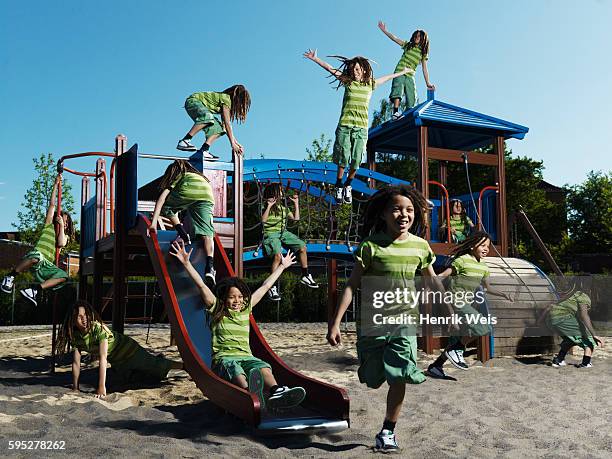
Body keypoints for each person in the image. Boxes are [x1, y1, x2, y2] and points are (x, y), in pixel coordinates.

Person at [327, 184, 440, 452]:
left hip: (404, 322)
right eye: (397, 209)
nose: (404, 214)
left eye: (410, 210)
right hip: (373, 324)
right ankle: (374, 371)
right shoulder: (371, 247)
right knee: (373, 377)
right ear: (383, 215)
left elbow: (432, 281)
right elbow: (352, 285)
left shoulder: (420, 247)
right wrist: (335, 322)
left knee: (399, 375)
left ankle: (387, 430)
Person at [170, 240, 306, 410]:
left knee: (262, 366)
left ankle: (276, 390)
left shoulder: (246, 309)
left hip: (246, 357)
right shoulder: (217, 308)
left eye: (240, 297)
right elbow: (201, 285)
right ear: (224, 298)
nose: (237, 301)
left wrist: (282, 267)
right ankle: (248, 394)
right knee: (234, 369)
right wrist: (187, 263)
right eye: (232, 297)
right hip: (224, 360)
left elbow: (265, 286)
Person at [303, 49, 414, 205]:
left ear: (363, 70)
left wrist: (402, 72)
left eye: (357, 69)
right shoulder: (348, 82)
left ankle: (348, 184)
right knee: (343, 156)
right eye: (352, 69)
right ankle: (339, 184)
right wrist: (316, 59)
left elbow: (387, 78)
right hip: (345, 125)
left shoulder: (370, 84)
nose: (355, 71)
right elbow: (331, 69)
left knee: (356, 159)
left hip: (361, 128)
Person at [56, 300, 183, 398]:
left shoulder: (98, 329)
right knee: (132, 378)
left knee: (154, 363)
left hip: (129, 350)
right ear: (72, 321)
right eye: (79, 316)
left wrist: (101, 387)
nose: (84, 319)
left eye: (86, 315)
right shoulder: (76, 337)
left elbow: (103, 358)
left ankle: (184, 367)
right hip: (117, 360)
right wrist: (75, 387)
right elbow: (76, 363)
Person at [427, 232, 513, 376]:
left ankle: (435, 367)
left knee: (458, 338)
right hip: (455, 301)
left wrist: (504, 294)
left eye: (488, 246)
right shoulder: (462, 261)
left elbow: (488, 288)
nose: (486, 249)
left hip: (465, 304)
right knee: (484, 326)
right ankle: (457, 348)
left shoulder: (484, 267)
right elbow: (442, 276)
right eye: (482, 245)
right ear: (473, 246)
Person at [1, 175, 74, 306]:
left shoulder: (65, 236)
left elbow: (61, 243)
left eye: (66, 222)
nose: (64, 222)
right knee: (37, 256)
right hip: (37, 256)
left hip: (46, 264)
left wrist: (62, 226)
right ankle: (10, 276)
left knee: (64, 276)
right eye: (62, 219)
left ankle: (34, 290)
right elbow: (52, 205)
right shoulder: (48, 226)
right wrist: (56, 185)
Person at [148, 159, 217, 285]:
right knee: (208, 234)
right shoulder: (198, 176)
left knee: (166, 207)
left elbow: (162, 198)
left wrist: (153, 223)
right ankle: (210, 267)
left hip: (189, 193)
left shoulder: (179, 174)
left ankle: (183, 233)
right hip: (208, 196)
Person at [261, 183, 318, 301]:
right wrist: (268, 206)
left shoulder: (283, 208)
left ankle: (305, 274)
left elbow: (296, 219)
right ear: (274, 193)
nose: (282, 194)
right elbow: (263, 221)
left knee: (302, 246)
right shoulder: (265, 206)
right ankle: (272, 286)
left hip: (283, 233)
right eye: (280, 191)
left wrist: (296, 204)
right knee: (277, 256)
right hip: (270, 234)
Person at [176, 85, 251, 161]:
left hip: (199, 105)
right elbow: (228, 123)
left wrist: (235, 142)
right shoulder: (226, 98)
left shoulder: (226, 103)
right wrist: (232, 144)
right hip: (193, 101)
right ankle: (185, 140)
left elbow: (226, 126)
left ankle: (204, 150)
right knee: (207, 117)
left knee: (220, 128)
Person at [377, 21, 435, 119]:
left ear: (423, 39)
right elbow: (394, 38)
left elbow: (424, 68)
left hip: (410, 74)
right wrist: (385, 31)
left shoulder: (423, 53)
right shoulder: (408, 45)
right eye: (415, 36)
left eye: (419, 36)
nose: (417, 38)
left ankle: (409, 112)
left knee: (412, 94)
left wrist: (428, 83)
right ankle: (395, 112)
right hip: (400, 70)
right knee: (398, 88)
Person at [540, 282, 603, 368]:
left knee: (570, 339)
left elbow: (550, 306)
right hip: (563, 318)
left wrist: (540, 321)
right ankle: (586, 363)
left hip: (551, 320)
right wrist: (594, 334)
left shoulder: (571, 296)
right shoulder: (583, 296)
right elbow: (584, 315)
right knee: (589, 341)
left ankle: (559, 360)